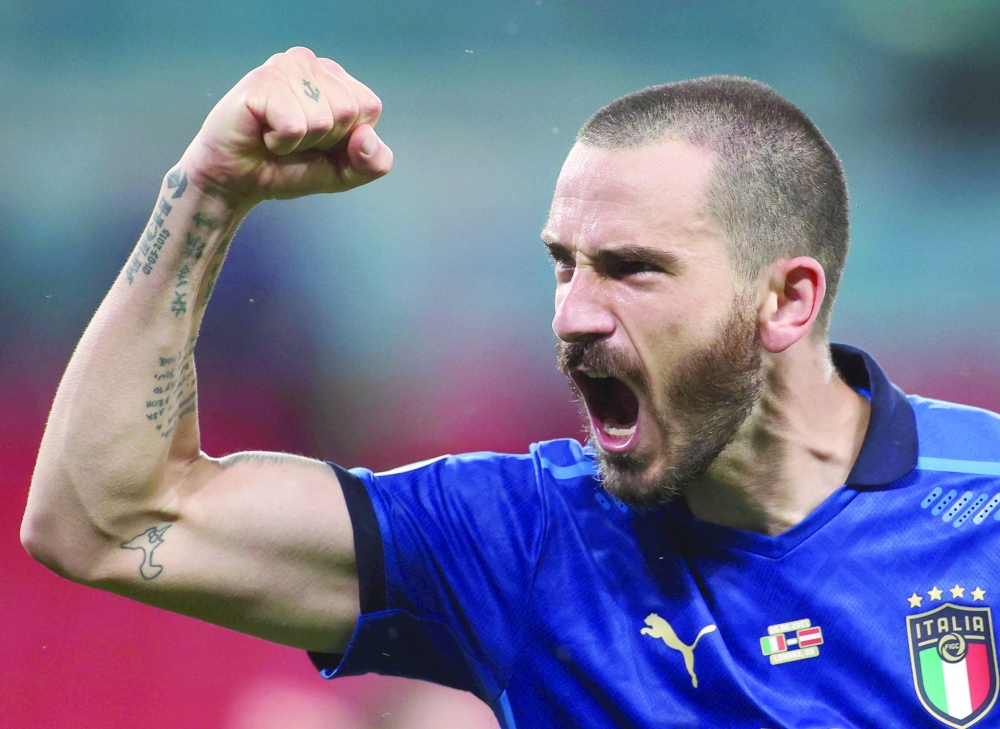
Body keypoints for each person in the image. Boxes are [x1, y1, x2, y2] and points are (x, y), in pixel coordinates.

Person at [20, 46, 1000, 729]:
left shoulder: (984, 505)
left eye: (631, 269)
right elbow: (102, 520)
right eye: (563, 265)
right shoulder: (525, 542)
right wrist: (206, 191)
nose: (571, 313)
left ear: (785, 301)